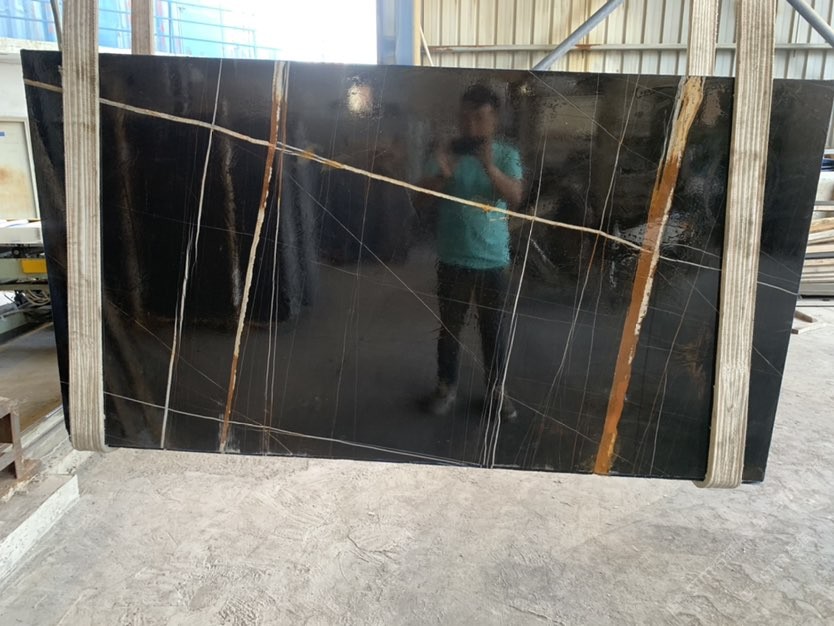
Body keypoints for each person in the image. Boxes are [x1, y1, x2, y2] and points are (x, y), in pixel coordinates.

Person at [421, 84, 524, 420]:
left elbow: (515, 197)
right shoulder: (446, 152)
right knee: (449, 329)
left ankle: (497, 392)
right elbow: (420, 197)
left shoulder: (506, 155)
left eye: (479, 118)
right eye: (464, 118)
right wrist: (443, 174)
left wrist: (490, 167)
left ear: (494, 120)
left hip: (493, 259)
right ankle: (445, 387)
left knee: (493, 330)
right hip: (453, 256)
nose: (470, 126)